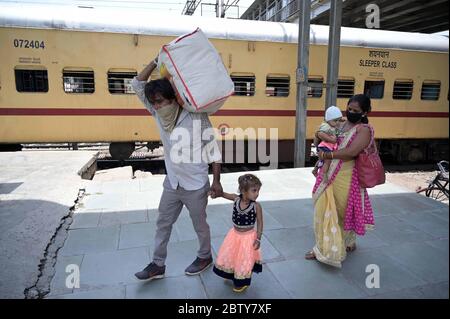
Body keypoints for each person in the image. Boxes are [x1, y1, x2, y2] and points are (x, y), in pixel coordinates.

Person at [132, 55, 224, 281]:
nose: (158, 106)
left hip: (195, 184)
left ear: (173, 99)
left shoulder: (195, 116)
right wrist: (155, 61)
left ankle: (205, 256)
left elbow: (213, 150)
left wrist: (216, 181)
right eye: (154, 103)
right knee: (163, 223)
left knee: (200, 225)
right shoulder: (157, 115)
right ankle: (157, 264)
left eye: (162, 101)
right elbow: (136, 84)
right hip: (172, 183)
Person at [305, 94, 375, 268]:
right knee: (323, 210)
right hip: (328, 173)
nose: (350, 112)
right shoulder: (341, 123)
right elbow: (324, 137)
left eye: (355, 110)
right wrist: (319, 137)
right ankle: (324, 248)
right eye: (349, 109)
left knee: (342, 214)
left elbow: (351, 152)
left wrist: (328, 155)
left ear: (365, 112)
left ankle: (347, 240)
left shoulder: (364, 129)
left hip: (347, 176)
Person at [212, 173, 263, 293]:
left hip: (248, 238)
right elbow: (222, 194)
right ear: (243, 191)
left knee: (244, 259)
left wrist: (258, 238)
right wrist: (215, 194)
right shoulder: (236, 199)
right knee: (232, 255)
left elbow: (260, 222)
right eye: (254, 190)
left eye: (258, 190)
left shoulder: (256, 206)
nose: (257, 193)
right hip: (234, 235)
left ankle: (241, 281)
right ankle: (230, 273)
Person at [312, 106, 343, 180]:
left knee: (321, 160)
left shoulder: (332, 126)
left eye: (339, 120)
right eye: (335, 121)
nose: (338, 122)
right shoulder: (326, 126)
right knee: (327, 161)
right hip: (325, 146)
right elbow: (320, 134)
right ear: (328, 120)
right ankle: (324, 175)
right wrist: (332, 140)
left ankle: (315, 170)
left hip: (326, 147)